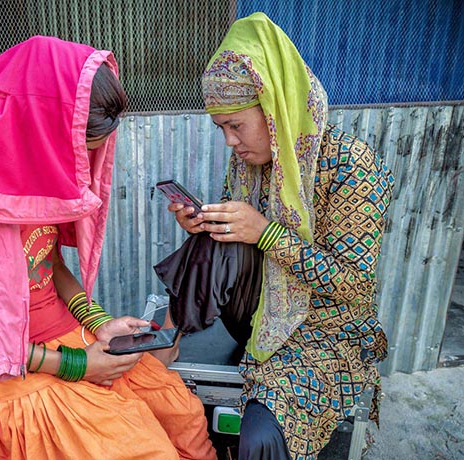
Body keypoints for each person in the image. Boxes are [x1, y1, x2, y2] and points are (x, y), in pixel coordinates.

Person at [0, 36, 216, 460]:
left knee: (183, 416)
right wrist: (79, 366)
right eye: (78, 150)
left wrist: (99, 323)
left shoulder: (37, 177)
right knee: (146, 449)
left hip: (70, 338)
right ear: (41, 124)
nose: (81, 166)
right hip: (10, 370)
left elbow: (52, 267)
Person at [167, 13, 394, 460]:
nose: (230, 142)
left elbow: (354, 284)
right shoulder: (251, 162)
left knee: (259, 435)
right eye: (222, 130)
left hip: (328, 331)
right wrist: (207, 224)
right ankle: (175, 341)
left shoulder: (350, 164)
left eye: (236, 125)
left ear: (275, 110)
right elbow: (238, 250)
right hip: (257, 314)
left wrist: (266, 233)